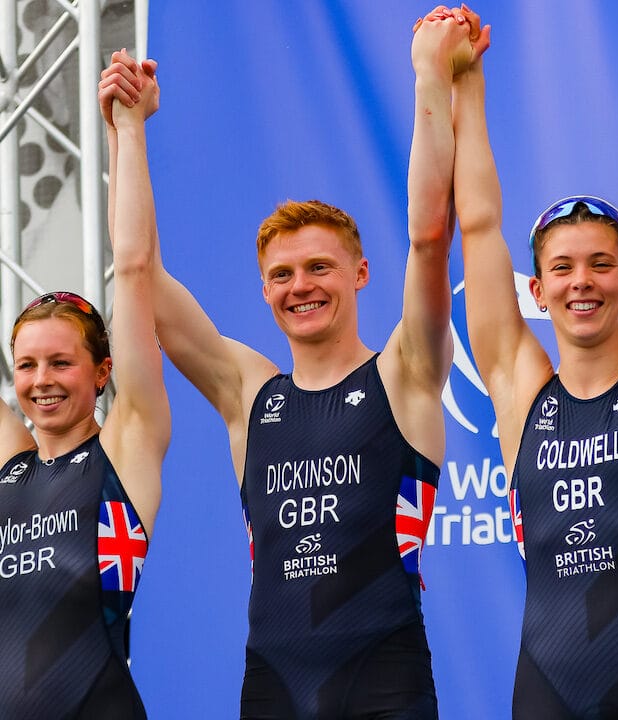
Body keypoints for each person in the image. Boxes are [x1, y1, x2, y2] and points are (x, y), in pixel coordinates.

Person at [99, 8, 487, 716]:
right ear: (263, 290)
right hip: (272, 687)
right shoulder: (247, 392)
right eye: (281, 275)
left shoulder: (406, 373)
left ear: (362, 273)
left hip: (384, 683)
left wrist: (431, 81)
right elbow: (138, 272)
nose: (300, 286)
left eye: (319, 268)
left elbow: (431, 236)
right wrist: (128, 132)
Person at [444, 0, 618, 716]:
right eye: (563, 268)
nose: (582, 282)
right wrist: (466, 90)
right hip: (550, 684)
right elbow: (477, 226)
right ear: (536, 290)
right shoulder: (518, 388)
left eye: (601, 264)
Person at [0, 53, 170, 718]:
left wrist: (127, 130)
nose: (41, 381)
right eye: (27, 365)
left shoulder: (124, 454)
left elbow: (132, 270)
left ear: (103, 372)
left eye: (61, 363)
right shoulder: (11, 466)